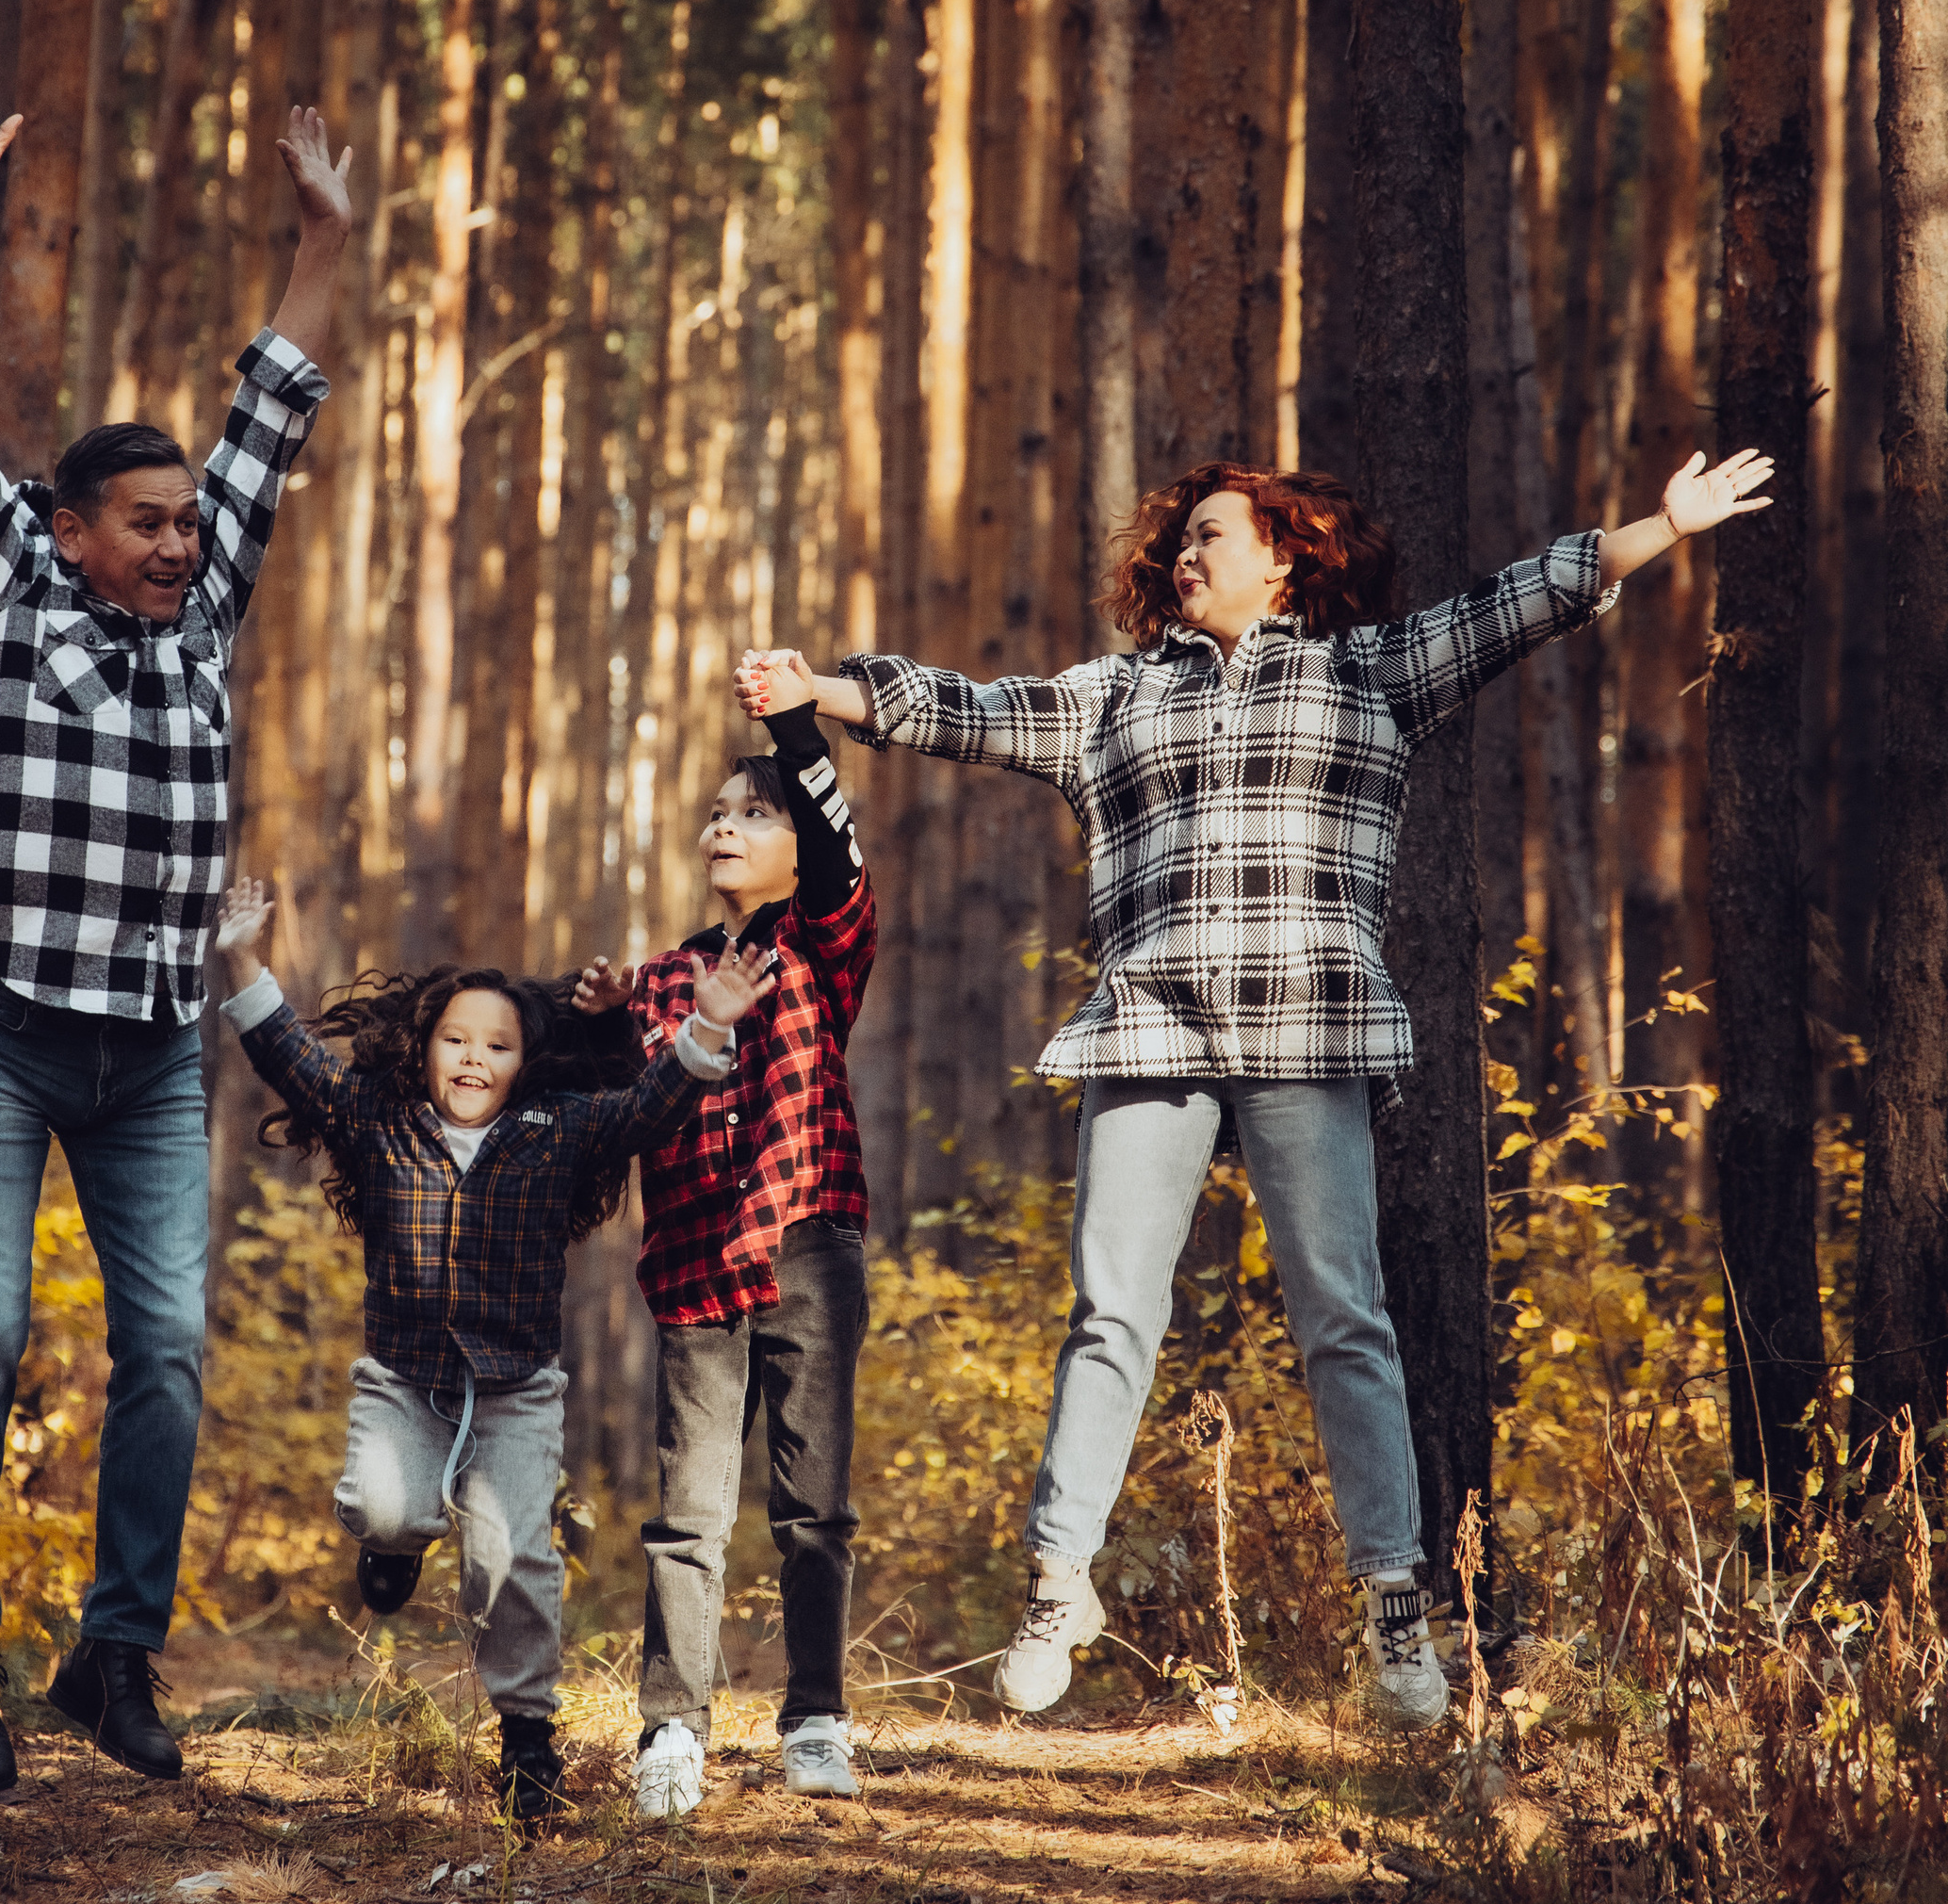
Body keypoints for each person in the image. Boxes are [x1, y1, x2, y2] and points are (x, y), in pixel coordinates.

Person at [739, 445, 1773, 1731]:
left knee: (1346, 1319)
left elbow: (1519, 601)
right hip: (1151, 1032)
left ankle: (1398, 1614)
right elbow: (969, 709)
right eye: (1178, 542)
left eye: (1212, 535)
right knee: (1112, 1313)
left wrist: (1662, 528)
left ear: (1285, 558)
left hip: (1309, 1031)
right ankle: (1061, 1582)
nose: (1187, 555)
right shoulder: (1114, 697)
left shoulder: (1366, 674)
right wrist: (822, 689)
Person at [0, 57, 355, 1797]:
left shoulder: (200, 597)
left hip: (152, 1041)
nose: (182, 541)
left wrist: (324, 235)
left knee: (164, 1341)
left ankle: (115, 1658)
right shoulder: (6, 574)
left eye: (188, 521)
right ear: (70, 528)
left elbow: (283, 388)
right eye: (148, 522)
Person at [210, 888, 776, 1824]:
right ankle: (391, 1546)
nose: (474, 1057)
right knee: (384, 1507)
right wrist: (241, 958)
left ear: (526, 1063)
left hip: (516, 1387)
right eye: (457, 1039)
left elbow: (649, 1109)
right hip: (406, 1381)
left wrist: (707, 1025)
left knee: (513, 1557)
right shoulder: (379, 1122)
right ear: (424, 1046)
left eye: (498, 1044)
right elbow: (290, 1057)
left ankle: (526, 1742)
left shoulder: (556, 1133)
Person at [571, 663, 879, 1815]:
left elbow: (837, 835)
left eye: (753, 813)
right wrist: (596, 1023)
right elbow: (621, 1104)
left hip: (809, 1244)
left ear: (801, 843)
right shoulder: (662, 979)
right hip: (695, 1263)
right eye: (714, 811)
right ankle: (672, 1736)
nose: (723, 826)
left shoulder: (823, 942)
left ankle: (814, 1721)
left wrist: (792, 730)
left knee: (813, 1509)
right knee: (688, 1515)